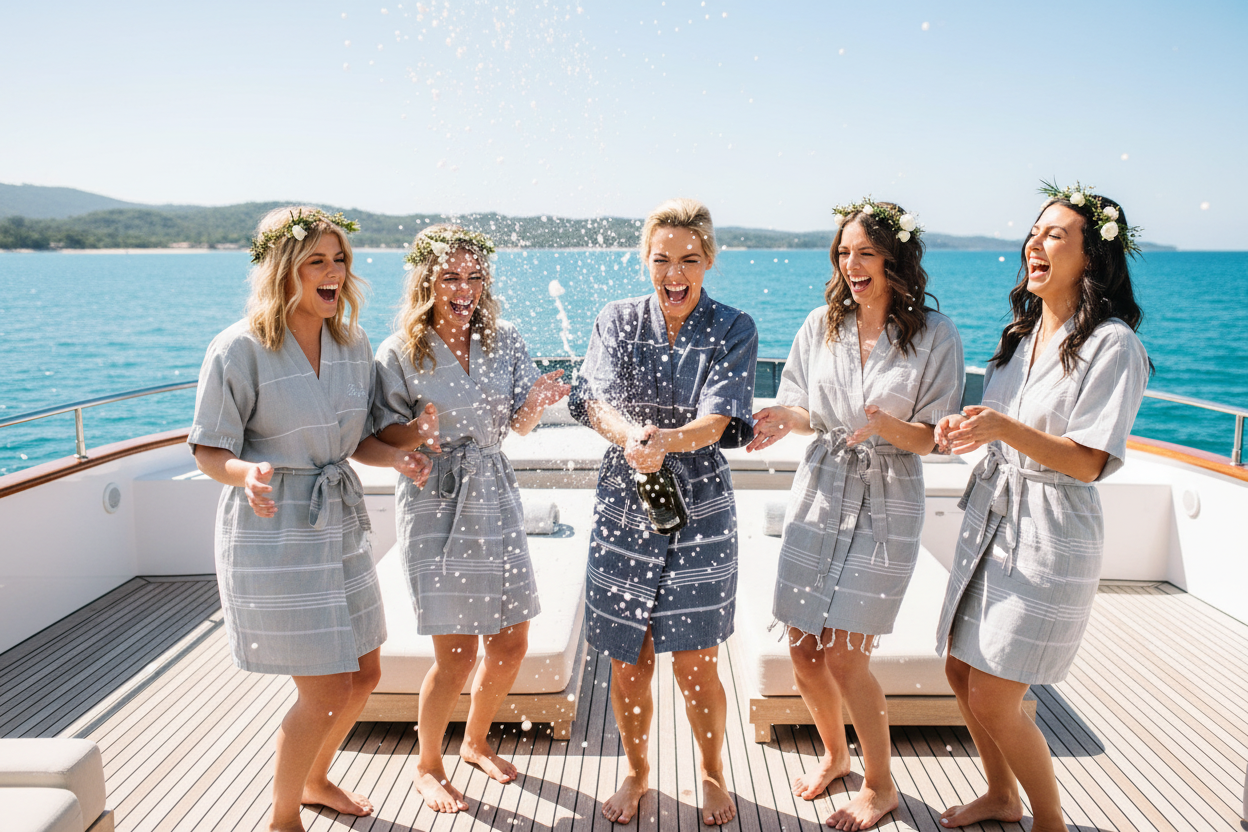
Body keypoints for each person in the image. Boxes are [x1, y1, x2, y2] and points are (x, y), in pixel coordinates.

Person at [190, 206, 431, 832]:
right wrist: (248, 475)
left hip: (339, 522)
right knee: (324, 688)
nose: (332, 272)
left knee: (365, 671)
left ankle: (318, 778)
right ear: (283, 270)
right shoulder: (239, 348)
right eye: (315, 261)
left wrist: (400, 458)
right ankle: (282, 816)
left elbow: (358, 443)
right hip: (273, 528)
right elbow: (209, 449)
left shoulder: (351, 346)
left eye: (339, 259)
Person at [933, 183, 1150, 832]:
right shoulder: (1020, 336)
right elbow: (1004, 425)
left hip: (1051, 532)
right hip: (992, 519)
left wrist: (1000, 428)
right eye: (1034, 231)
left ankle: (1049, 821)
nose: (1036, 242)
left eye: (1056, 233)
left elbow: (1087, 460)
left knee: (999, 696)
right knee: (959, 668)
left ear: (1094, 259)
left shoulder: (1113, 346)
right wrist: (968, 430)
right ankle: (1001, 796)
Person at [748, 199, 964, 830]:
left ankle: (881, 784)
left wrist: (893, 427)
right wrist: (782, 419)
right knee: (804, 650)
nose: (851, 264)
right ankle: (835, 755)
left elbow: (935, 438)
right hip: (820, 491)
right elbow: (802, 405)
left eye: (865, 252)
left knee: (846, 655)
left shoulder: (935, 335)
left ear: (896, 260)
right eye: (844, 252)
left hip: (888, 498)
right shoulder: (822, 325)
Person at [569, 198, 758, 826]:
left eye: (688, 260)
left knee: (696, 659)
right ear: (645, 260)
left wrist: (661, 442)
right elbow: (592, 399)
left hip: (700, 507)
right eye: (661, 259)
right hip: (625, 503)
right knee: (629, 657)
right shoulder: (616, 320)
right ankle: (637, 772)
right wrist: (631, 439)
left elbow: (717, 421)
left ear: (707, 262)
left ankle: (711, 772)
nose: (673, 273)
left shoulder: (734, 327)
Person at [372, 225, 570, 813]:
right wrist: (418, 433)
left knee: (511, 640)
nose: (464, 289)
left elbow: (520, 423)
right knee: (454, 652)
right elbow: (382, 436)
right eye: (450, 277)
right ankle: (427, 763)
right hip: (434, 495)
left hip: (493, 490)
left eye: (473, 277)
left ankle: (476, 742)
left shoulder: (503, 338)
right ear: (426, 280)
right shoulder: (400, 350)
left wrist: (535, 405)